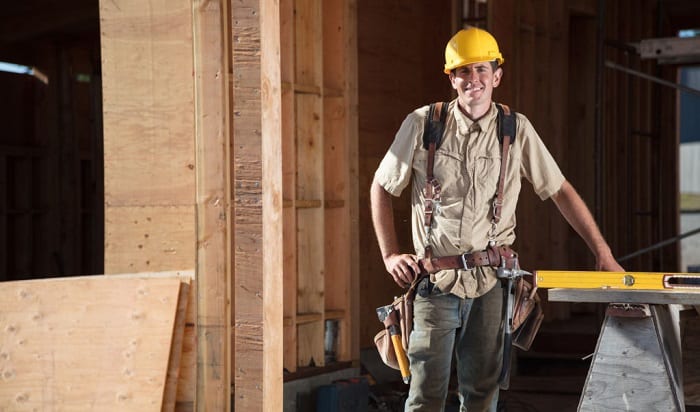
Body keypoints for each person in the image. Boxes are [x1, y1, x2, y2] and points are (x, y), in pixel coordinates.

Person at [370, 27, 624, 411]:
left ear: (497, 75)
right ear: (452, 78)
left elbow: (560, 191)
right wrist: (390, 255)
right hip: (435, 282)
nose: (474, 79)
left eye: (482, 70)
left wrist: (603, 253)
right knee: (424, 396)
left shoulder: (515, 129)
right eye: (464, 71)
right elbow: (381, 187)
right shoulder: (424, 124)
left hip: (492, 283)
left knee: (482, 396)